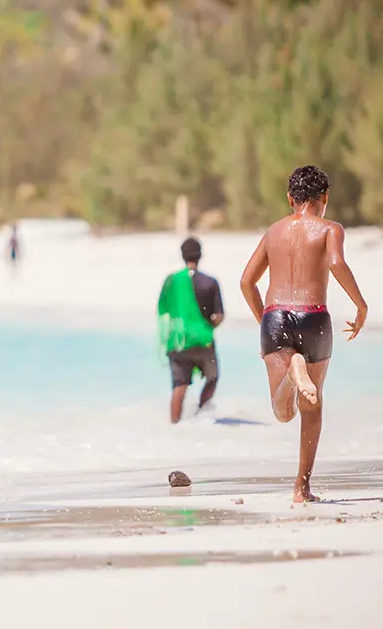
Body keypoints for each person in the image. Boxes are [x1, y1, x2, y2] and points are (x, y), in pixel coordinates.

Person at [238, 165, 369, 504]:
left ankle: (293, 367)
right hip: (314, 319)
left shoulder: (273, 231)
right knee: (312, 405)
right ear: (324, 198)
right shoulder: (330, 229)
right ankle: (301, 488)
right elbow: (337, 264)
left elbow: (246, 281)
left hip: (276, 317)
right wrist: (360, 305)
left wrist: (264, 321)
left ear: (289, 199)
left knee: (282, 412)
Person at [157, 236, 224, 424]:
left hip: (177, 341)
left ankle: (174, 426)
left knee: (180, 385)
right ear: (200, 255)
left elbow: (164, 310)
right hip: (202, 342)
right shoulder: (210, 282)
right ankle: (201, 414)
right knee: (213, 377)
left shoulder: (171, 282)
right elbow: (218, 316)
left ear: (182, 256)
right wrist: (210, 325)